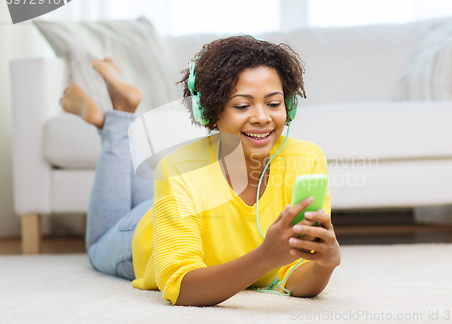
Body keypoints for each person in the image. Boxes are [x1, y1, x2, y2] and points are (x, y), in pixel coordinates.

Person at [60, 35, 341, 307]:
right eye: (243, 105)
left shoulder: (307, 158)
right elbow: (179, 288)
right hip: (146, 231)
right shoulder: (179, 169)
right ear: (211, 112)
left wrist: (325, 264)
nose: (262, 117)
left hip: (178, 200)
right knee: (97, 246)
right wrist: (263, 259)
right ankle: (117, 118)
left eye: (273, 103)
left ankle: (115, 114)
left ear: (288, 105)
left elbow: (298, 278)